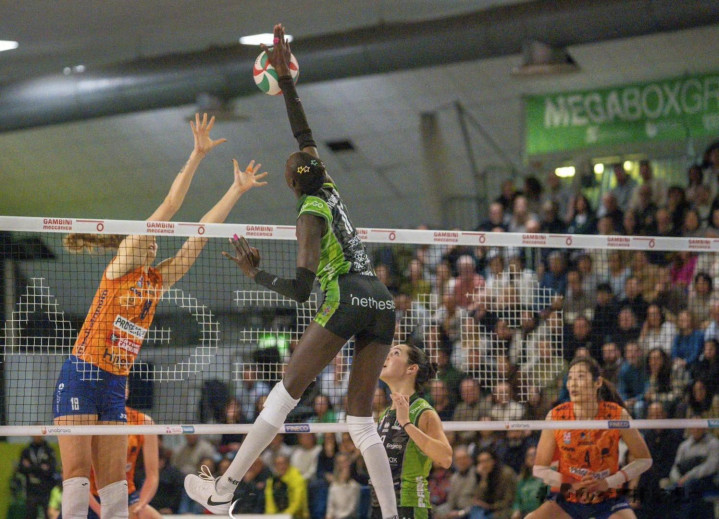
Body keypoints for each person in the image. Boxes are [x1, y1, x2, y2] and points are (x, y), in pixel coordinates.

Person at [185, 25, 399, 519]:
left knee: (283, 394)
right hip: (380, 298)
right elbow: (304, 135)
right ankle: (391, 516)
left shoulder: (309, 213)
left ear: (290, 183)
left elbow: (303, 290)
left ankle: (225, 489)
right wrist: (286, 80)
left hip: (346, 295)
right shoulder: (328, 186)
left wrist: (255, 275)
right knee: (361, 422)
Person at [52, 113, 266, 519]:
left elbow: (200, 233)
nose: (153, 245)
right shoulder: (123, 264)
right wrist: (197, 154)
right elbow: (171, 205)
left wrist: (235, 190)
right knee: (77, 476)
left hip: (115, 383)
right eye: (148, 240)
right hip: (82, 372)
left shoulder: (158, 279)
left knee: (115, 486)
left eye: (153, 244)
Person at [528, 357, 652, 519]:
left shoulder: (616, 414)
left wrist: (607, 483)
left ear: (597, 382)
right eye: (570, 378)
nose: (573, 383)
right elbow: (539, 469)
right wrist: (573, 485)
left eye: (580, 376)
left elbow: (644, 460)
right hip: (568, 498)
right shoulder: (556, 416)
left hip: (608, 498)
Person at [370, 343, 453, 519]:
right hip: (380, 504)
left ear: (411, 368)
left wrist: (406, 423)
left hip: (408, 505)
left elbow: (445, 458)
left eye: (395, 353)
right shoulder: (385, 413)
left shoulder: (423, 411)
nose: (387, 356)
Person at [88, 391, 160, 519]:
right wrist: (101, 511)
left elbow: (152, 475)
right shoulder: (89, 420)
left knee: (150, 516)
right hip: (91, 497)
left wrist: (140, 506)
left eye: (123, 384)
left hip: (125, 495)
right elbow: (72, 475)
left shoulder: (143, 422)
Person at [13, 434, 57, 519]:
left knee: (48, 514)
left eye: (39, 434)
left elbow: (51, 469)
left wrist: (31, 467)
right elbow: (21, 469)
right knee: (30, 514)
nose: (37, 436)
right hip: (31, 489)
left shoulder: (49, 450)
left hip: (46, 488)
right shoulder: (26, 451)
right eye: (35, 434)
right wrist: (41, 468)